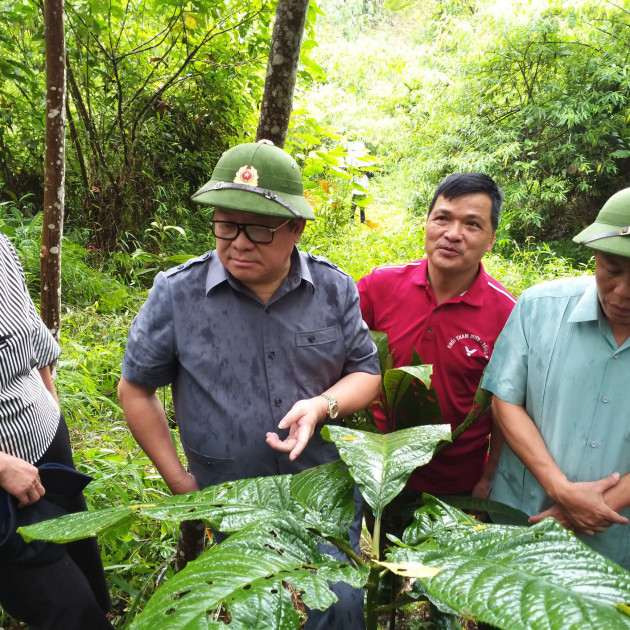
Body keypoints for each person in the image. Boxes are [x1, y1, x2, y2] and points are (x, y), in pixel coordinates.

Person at [118, 140, 382, 628]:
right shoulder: (178, 294)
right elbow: (135, 388)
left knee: (339, 604)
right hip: (232, 496)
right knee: (256, 609)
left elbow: (366, 373)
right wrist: (179, 481)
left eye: (259, 228)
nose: (238, 242)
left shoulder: (333, 288)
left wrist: (322, 405)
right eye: (226, 223)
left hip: (319, 489)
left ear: (296, 228)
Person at [483, 187, 630, 570]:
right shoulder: (539, 307)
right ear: (595, 255)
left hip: (615, 547)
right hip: (520, 521)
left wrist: (583, 511)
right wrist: (561, 490)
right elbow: (505, 401)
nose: (623, 291)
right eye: (612, 269)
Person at [357, 173, 515, 525]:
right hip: (379, 473)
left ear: (490, 239)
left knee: (440, 579)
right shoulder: (379, 286)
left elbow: (507, 406)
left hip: (454, 486)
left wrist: (489, 477)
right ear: (427, 223)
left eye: (472, 224)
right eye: (442, 218)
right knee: (383, 570)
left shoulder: (508, 314)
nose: (453, 233)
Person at [0, 234, 113, 629]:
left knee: (85, 568)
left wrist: (50, 397)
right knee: (68, 607)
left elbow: (29, 324)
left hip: (45, 440)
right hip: (5, 479)